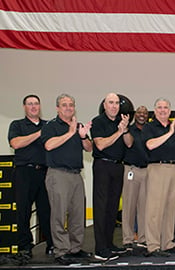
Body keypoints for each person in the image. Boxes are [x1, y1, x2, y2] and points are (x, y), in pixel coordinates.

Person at [41, 93, 93, 265]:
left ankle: (75, 249)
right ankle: (61, 250)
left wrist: (83, 135)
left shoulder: (78, 126)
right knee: (58, 214)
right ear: (58, 108)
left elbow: (89, 148)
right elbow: (48, 145)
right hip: (58, 174)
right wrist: (70, 133)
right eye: (64, 105)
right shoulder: (50, 126)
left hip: (76, 175)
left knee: (78, 215)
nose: (69, 108)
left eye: (71, 105)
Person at [8, 94, 53, 259]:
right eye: (30, 104)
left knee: (47, 211)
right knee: (24, 211)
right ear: (24, 107)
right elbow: (16, 143)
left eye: (36, 104)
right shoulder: (17, 125)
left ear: (40, 106)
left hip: (45, 172)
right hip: (24, 173)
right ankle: (25, 247)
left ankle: (51, 245)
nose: (33, 106)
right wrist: (40, 133)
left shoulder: (49, 125)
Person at [142, 98, 175, 257]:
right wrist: (169, 132)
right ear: (155, 111)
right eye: (160, 108)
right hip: (157, 168)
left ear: (170, 111)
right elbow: (150, 145)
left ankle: (167, 243)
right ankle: (153, 246)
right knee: (154, 209)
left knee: (170, 207)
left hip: (174, 168)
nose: (163, 110)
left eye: (166, 108)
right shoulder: (150, 126)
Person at [90, 93, 133, 260]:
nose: (114, 106)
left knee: (112, 207)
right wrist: (118, 132)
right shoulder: (98, 122)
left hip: (118, 166)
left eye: (116, 103)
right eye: (111, 103)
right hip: (103, 165)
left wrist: (125, 128)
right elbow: (100, 145)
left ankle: (109, 243)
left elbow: (129, 143)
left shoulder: (121, 121)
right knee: (101, 207)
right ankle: (100, 248)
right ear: (105, 105)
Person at [121, 106, 149, 250]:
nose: (142, 115)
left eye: (145, 113)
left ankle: (143, 238)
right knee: (129, 206)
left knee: (144, 207)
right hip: (130, 169)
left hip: (147, 171)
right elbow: (128, 143)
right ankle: (128, 239)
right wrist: (124, 129)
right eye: (139, 112)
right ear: (135, 115)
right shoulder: (128, 129)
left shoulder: (150, 130)